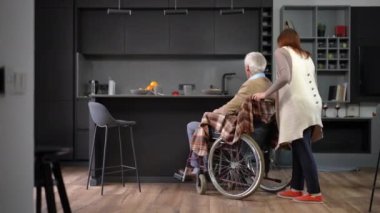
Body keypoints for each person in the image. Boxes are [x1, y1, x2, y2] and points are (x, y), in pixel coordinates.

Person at [252, 28, 324, 203]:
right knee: (300, 146)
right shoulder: (306, 56)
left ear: (281, 41)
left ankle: (315, 192)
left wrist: (265, 94)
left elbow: (285, 77)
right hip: (313, 104)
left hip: (298, 106)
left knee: (303, 149)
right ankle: (296, 188)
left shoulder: (280, 51)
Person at [186, 52, 272, 175]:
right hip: (262, 130)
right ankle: (198, 167)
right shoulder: (269, 84)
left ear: (247, 68)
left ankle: (199, 167)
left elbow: (231, 107)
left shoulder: (251, 85)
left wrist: (213, 113)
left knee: (192, 126)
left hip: (241, 131)